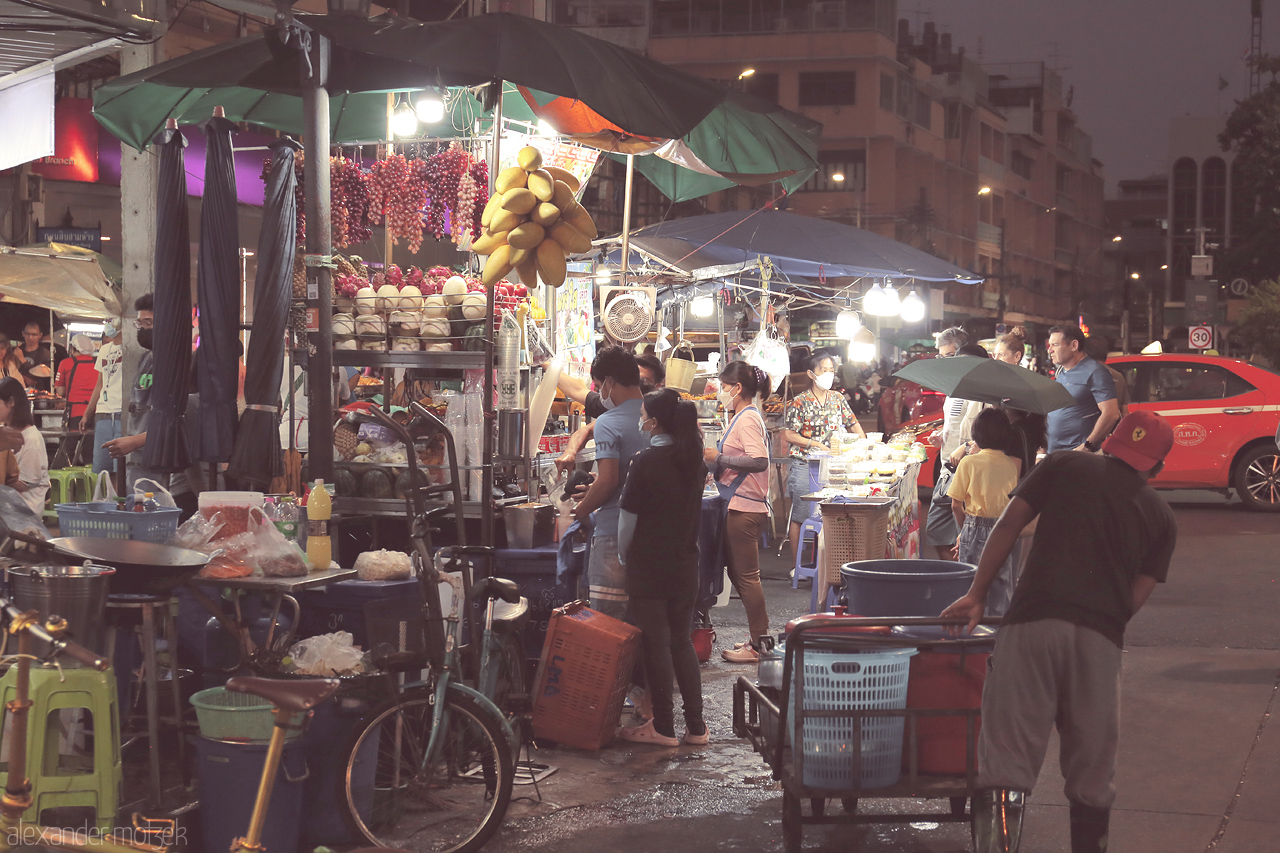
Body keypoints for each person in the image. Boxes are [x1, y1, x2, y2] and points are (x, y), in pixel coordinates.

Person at [940, 411, 1178, 853]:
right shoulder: (1162, 517)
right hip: (1099, 640)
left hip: (1031, 625)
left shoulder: (1064, 464)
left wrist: (977, 593)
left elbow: (1008, 525)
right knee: (1091, 771)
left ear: (1110, 442)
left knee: (1006, 762)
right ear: (1157, 467)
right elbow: (1132, 601)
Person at [616, 388, 707, 746]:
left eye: (643, 415)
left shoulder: (645, 462)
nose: (640, 420)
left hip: (650, 569)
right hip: (685, 566)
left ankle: (664, 728)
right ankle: (696, 728)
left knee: (657, 645)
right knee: (681, 642)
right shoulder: (694, 461)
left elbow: (627, 524)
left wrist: (626, 558)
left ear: (654, 423)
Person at [570, 347, 650, 619]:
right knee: (646, 619)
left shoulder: (608, 421)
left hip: (615, 532)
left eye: (598, 385)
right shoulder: (659, 415)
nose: (598, 392)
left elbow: (608, 481)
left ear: (609, 383)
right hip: (656, 532)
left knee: (610, 622)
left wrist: (579, 513)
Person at [706, 361, 772, 663]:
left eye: (724, 387)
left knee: (746, 578)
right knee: (740, 574)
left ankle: (760, 645)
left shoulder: (746, 419)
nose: (722, 393)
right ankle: (758, 640)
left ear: (738, 388)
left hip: (746, 508)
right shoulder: (744, 416)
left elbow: (759, 461)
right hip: (741, 505)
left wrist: (719, 457)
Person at [781, 353, 864, 565]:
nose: (828, 374)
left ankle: (828, 564)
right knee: (801, 515)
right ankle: (797, 565)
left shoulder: (837, 399)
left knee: (831, 514)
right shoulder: (799, 402)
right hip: (805, 465)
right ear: (811, 373)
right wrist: (815, 444)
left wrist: (863, 443)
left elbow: (853, 423)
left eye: (831, 370)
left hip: (834, 466)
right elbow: (789, 434)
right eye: (823, 370)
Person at [947, 409, 1020, 616]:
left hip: (974, 525)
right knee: (999, 583)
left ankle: (972, 634)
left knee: (971, 584)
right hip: (1002, 529)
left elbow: (955, 505)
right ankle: (995, 635)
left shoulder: (969, 462)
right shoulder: (1010, 464)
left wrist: (965, 530)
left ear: (976, 435)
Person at [556, 353, 663, 473]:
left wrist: (602, 487)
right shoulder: (612, 403)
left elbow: (608, 481)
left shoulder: (663, 415)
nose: (636, 383)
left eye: (643, 380)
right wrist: (570, 453)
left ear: (658, 387)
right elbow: (584, 429)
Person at [924, 327, 970, 559]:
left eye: (949, 356)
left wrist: (968, 446)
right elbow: (953, 422)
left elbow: (983, 429)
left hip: (966, 472)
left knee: (963, 537)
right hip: (946, 471)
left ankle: (961, 581)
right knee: (937, 531)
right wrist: (941, 435)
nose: (945, 362)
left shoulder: (975, 387)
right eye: (941, 357)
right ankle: (956, 577)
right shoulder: (952, 387)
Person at [1045, 325, 1119, 453]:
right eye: (1049, 345)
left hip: (1077, 456)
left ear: (1074, 345)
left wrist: (1086, 446)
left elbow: (1111, 413)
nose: (1049, 350)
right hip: (1054, 453)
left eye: (1055, 345)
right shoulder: (1060, 372)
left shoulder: (1095, 372)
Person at [80, 321, 125, 475]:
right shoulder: (104, 350)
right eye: (108, 321)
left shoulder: (131, 349)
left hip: (122, 413)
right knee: (104, 468)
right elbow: (99, 385)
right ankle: (110, 499)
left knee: (121, 467)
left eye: (112, 321)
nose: (109, 325)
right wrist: (87, 413)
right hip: (103, 413)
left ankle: (120, 499)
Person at [0, 377, 49, 515]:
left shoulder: (32, 438)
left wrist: (6, 478)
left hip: (24, 510)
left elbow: (23, 484)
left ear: (11, 402)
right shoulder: (3, 432)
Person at [1085, 337, 1130, 419]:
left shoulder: (1086, 375)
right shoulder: (1118, 376)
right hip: (1113, 429)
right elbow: (1125, 413)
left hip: (1091, 429)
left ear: (1086, 354)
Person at [17, 321, 53, 393]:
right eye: (27, 334)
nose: (30, 337)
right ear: (23, 333)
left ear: (40, 335)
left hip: (37, 392)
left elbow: (38, 377)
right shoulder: (16, 350)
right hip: (17, 391)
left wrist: (23, 360)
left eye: (34, 334)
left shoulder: (44, 354)